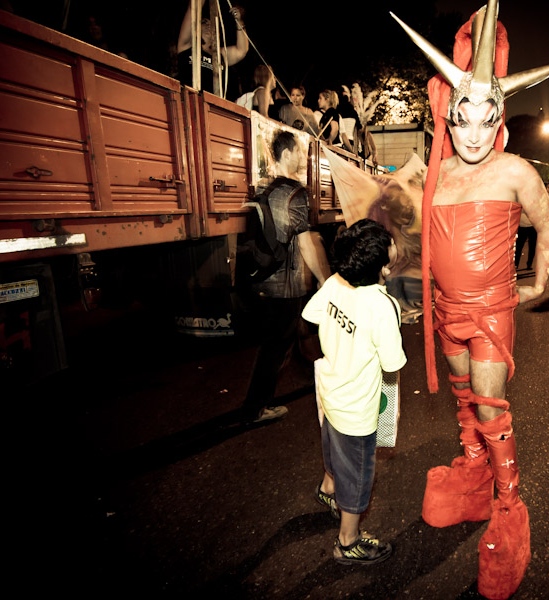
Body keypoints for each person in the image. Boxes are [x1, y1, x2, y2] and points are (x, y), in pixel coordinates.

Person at [392, 3, 549, 598]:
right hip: (444, 311)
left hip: (489, 312)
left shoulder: (514, 170)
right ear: (446, 118)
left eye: (488, 119)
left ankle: (508, 505)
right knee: (464, 403)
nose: (475, 132)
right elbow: (414, 238)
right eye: (464, 118)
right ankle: (473, 476)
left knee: (490, 408)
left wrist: (538, 278)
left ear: (500, 118)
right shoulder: (436, 174)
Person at [302, 218, 407, 565]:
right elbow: (392, 364)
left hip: (330, 392)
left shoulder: (335, 282)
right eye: (390, 241)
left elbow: (311, 312)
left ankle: (327, 489)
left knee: (333, 449)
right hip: (358, 408)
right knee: (359, 472)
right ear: (382, 259)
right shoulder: (381, 305)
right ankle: (348, 541)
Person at [241, 130, 331, 424]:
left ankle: (309, 375)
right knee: (275, 349)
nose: (302, 158)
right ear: (289, 153)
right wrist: (324, 280)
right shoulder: (295, 193)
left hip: (261, 281)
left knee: (281, 342)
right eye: (299, 152)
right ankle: (256, 408)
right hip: (285, 287)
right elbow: (304, 243)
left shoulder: (262, 190)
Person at [177, 0, 248, 95]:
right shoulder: (186, 46)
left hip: (211, 105)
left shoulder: (220, 54)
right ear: (196, 27)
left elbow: (241, 50)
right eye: (204, 22)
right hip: (188, 100)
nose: (209, 26)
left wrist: (239, 21)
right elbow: (193, 9)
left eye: (212, 25)